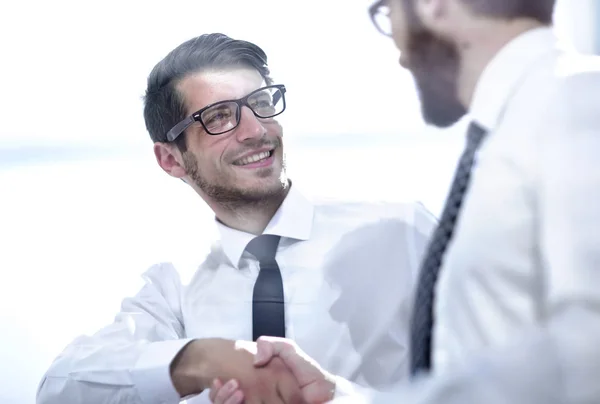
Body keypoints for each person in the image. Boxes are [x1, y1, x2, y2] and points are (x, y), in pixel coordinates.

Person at [211, 0, 600, 403]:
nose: (400, 56)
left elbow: (588, 353)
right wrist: (340, 399)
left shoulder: (579, 100)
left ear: (432, 6)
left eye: (388, 12)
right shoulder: (516, 129)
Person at [35, 33, 438, 404]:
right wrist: (202, 359)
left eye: (260, 103)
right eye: (219, 116)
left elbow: (491, 376)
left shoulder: (401, 230)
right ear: (171, 159)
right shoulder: (174, 288)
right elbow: (59, 386)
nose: (254, 130)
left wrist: (341, 398)